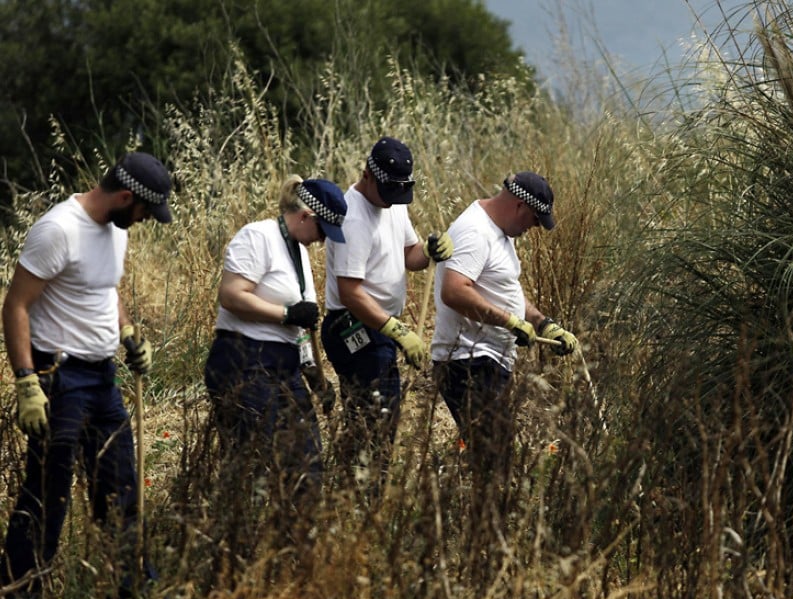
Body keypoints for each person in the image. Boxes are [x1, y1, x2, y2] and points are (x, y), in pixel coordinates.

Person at [0, 151, 173, 599]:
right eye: (142, 212)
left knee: (120, 487)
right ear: (124, 197)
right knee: (47, 493)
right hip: (58, 378)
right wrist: (26, 382)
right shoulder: (58, 230)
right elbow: (15, 306)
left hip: (102, 378)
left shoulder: (115, 231)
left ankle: (133, 592)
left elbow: (103, 289)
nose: (142, 221)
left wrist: (128, 331)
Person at [429, 171, 578, 572]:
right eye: (532, 221)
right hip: (466, 360)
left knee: (494, 452)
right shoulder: (474, 231)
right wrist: (508, 324)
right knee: (493, 456)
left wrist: (545, 324)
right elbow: (454, 290)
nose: (532, 229)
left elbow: (507, 292)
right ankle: (481, 550)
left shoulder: (501, 234)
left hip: (491, 361)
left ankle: (479, 534)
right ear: (520, 207)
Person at [203, 175, 345, 576]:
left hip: (282, 365)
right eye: (322, 230)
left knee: (308, 462)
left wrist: (316, 377)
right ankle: (236, 559)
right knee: (264, 463)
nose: (322, 240)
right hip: (242, 359)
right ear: (305, 216)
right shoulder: (258, 237)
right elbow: (231, 295)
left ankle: (291, 557)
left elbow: (302, 330)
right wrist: (285, 313)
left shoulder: (298, 253)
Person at [320, 137, 453, 495]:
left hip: (380, 326)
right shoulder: (353, 218)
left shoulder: (392, 201)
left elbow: (409, 254)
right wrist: (397, 330)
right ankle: (362, 493)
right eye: (388, 191)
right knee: (376, 411)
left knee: (378, 411)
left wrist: (428, 251)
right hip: (352, 327)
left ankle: (360, 488)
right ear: (367, 175)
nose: (393, 199)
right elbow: (350, 293)